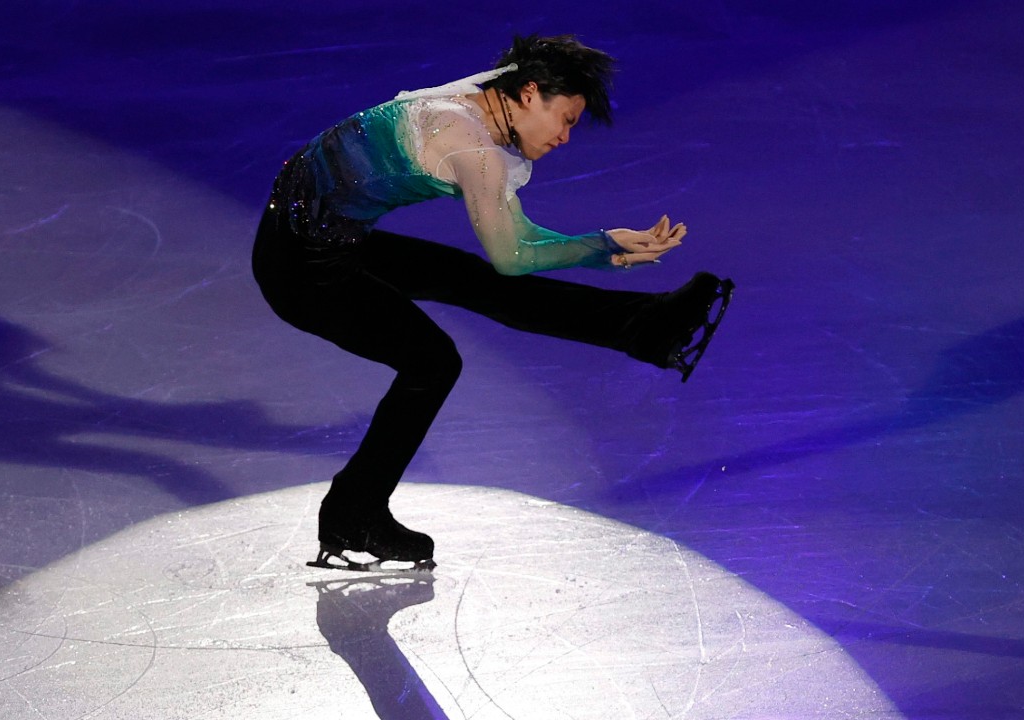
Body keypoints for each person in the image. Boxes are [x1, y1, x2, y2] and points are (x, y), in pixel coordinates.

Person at [253, 34, 733, 571]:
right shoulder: (472, 146)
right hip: (302, 271)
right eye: (566, 119)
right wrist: (601, 246)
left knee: (473, 281)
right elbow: (514, 255)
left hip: (319, 239)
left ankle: (648, 326)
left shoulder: (480, 97)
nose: (565, 137)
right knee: (433, 363)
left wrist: (608, 251)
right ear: (530, 94)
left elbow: (517, 240)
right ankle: (353, 513)